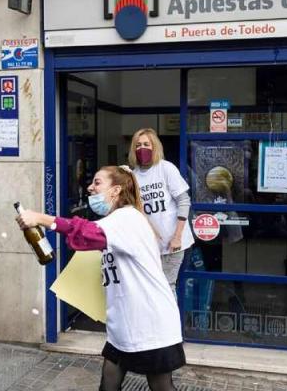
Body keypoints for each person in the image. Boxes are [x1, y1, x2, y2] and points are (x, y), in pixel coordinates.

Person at [16, 165, 184, 391]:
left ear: (115, 191)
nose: (90, 187)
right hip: (123, 326)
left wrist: (41, 218)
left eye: (97, 182)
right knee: (108, 385)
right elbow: (83, 240)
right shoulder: (114, 221)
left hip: (149, 323)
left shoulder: (127, 217)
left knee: (161, 387)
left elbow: (85, 232)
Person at [128, 128, 194, 295]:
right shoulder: (133, 176)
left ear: (154, 147)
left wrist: (177, 237)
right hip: (151, 246)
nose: (141, 148)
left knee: (167, 287)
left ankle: (170, 321)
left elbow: (184, 201)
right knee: (151, 289)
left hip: (174, 244)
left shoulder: (165, 168)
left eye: (146, 144)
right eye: (137, 145)